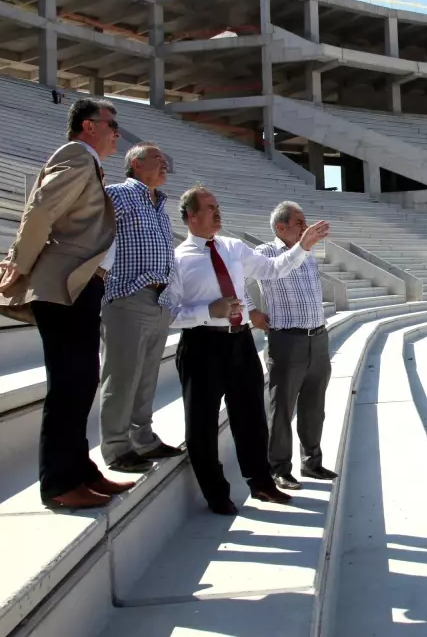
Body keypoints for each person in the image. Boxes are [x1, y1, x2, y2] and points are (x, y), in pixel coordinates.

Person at [0, 98, 131, 510]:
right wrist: (14, 265)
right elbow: (39, 210)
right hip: (63, 288)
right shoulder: (76, 155)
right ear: (88, 126)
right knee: (70, 384)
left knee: (80, 381)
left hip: (78, 287)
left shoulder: (87, 162)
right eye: (111, 123)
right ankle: (60, 482)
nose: (117, 131)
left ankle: (79, 471)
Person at [165, 186, 331, 516]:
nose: (217, 210)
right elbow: (168, 314)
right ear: (191, 216)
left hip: (239, 342)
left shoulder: (232, 247)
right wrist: (208, 311)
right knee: (202, 424)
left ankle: (262, 483)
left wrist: (302, 246)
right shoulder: (178, 259)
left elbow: (273, 269)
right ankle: (216, 495)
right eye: (210, 207)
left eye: (217, 204)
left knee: (251, 417)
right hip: (202, 345)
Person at [97, 143, 184, 473]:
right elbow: (92, 233)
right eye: (156, 159)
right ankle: (117, 448)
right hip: (128, 297)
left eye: (164, 159)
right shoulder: (117, 194)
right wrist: (102, 274)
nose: (164, 163)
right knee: (121, 377)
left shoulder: (159, 205)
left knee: (146, 377)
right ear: (134, 163)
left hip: (159, 300)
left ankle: (143, 438)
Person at [246, 201, 339, 492]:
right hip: (287, 340)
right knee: (283, 407)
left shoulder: (308, 255)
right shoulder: (265, 253)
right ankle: (279, 468)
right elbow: (237, 281)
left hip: (318, 338)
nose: (305, 226)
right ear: (281, 227)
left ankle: (312, 462)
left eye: (304, 221)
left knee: (315, 405)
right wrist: (251, 311)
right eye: (299, 222)